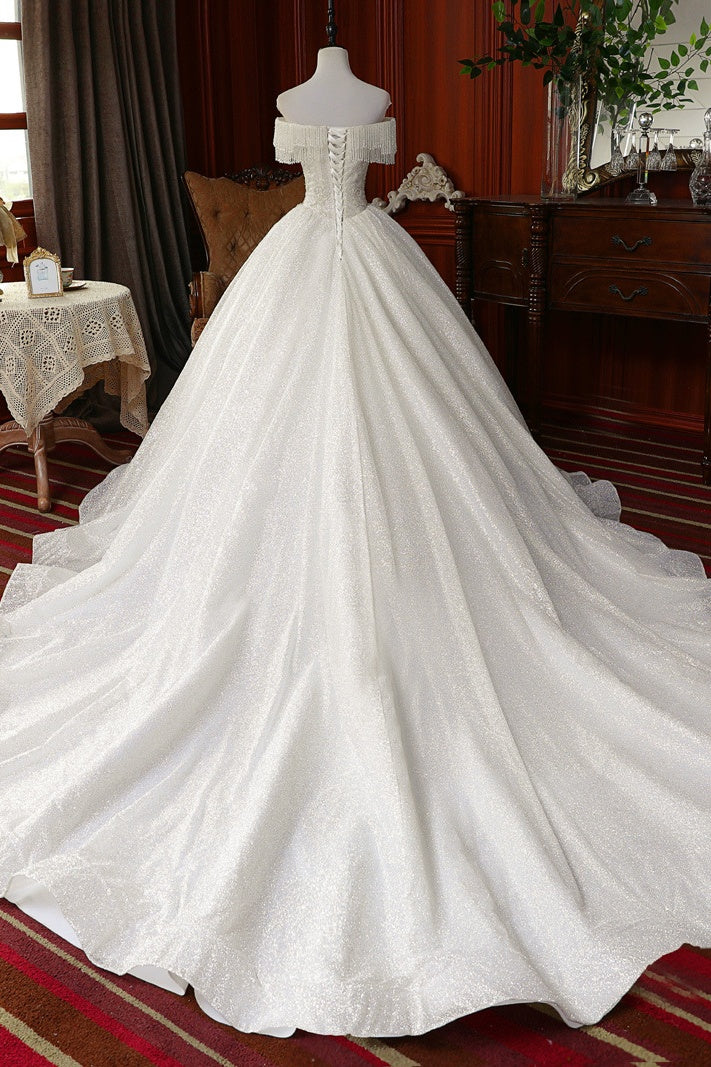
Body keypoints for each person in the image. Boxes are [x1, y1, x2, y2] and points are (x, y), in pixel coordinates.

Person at [1, 48, 710, 1040]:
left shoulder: (349, 97)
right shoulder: (334, 98)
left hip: (355, 270)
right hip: (310, 272)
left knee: (422, 442)